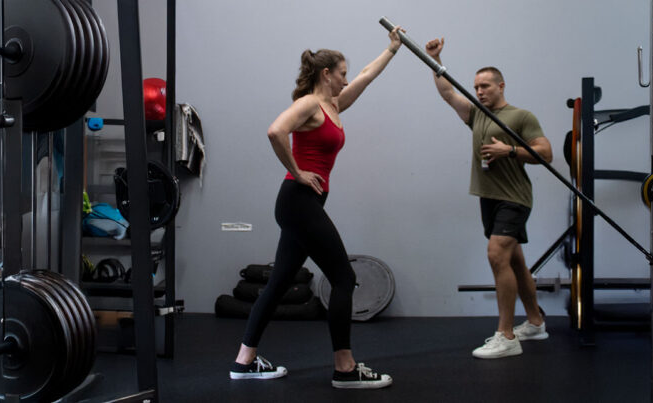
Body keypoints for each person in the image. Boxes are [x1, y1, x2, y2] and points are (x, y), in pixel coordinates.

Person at [229, 27, 404, 389]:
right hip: (298, 201)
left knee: (278, 284)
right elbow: (275, 131)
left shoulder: (334, 104)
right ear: (327, 74)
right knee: (344, 278)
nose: (345, 79)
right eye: (341, 72)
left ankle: (244, 361)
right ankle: (345, 368)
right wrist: (296, 171)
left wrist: (392, 49)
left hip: (301, 204)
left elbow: (366, 77)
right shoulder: (310, 103)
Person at [425, 37, 553, 359]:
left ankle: (506, 335)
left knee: (497, 255)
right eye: (476, 86)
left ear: (501, 86)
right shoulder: (476, 115)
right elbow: (446, 93)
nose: (480, 91)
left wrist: (508, 150)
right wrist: (435, 59)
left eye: (485, 86)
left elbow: (546, 153)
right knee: (514, 261)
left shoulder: (521, 116)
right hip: (490, 197)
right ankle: (536, 322)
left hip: (515, 197)